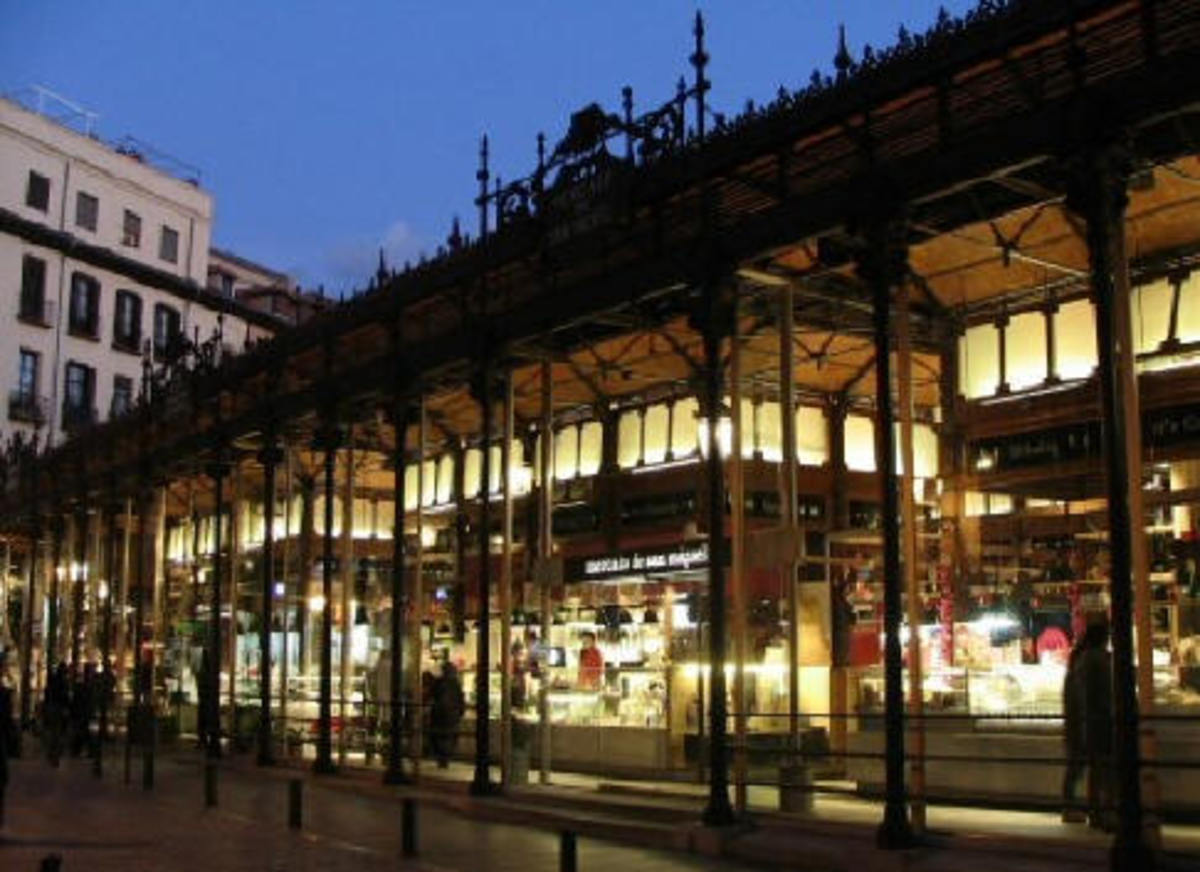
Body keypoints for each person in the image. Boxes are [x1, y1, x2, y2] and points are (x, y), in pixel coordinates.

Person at [429, 660, 463, 768]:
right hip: (452, 715)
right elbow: (460, 699)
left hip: (439, 714)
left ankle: (441, 757)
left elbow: (432, 696)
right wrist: (460, 711)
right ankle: (446, 757)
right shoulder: (455, 684)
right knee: (449, 735)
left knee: (439, 735)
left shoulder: (438, 682)